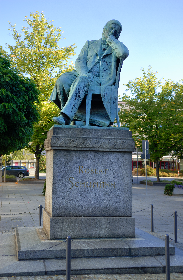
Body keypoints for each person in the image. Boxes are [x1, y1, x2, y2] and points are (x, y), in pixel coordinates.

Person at [50, 19, 129, 126]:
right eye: (111, 27)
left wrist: (112, 40)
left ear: (118, 34)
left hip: (101, 81)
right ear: (104, 30)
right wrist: (84, 72)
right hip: (83, 74)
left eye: (116, 30)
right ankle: (73, 113)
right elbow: (80, 61)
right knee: (63, 79)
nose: (113, 30)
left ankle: (66, 117)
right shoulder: (90, 44)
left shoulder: (116, 48)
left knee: (83, 80)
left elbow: (123, 53)